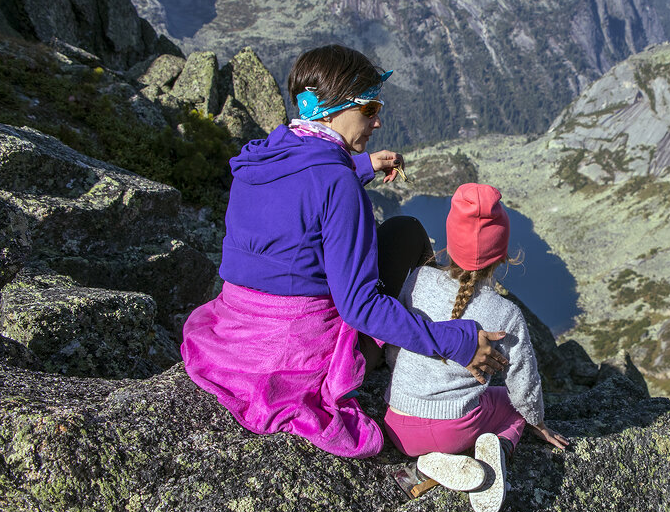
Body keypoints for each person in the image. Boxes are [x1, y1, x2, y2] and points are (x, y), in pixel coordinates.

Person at [180, 44, 508, 458]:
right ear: (331, 109)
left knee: (396, 232)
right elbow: (359, 308)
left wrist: (363, 166)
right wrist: (456, 342)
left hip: (236, 334)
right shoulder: (338, 185)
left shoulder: (262, 157)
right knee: (406, 233)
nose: (377, 120)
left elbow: (299, 192)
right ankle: (413, 353)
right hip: (298, 352)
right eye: (369, 108)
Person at [384, 183, 569, 512]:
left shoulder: (416, 281)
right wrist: (538, 422)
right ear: (503, 254)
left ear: (451, 243)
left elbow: (396, 349)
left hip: (397, 424)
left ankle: (425, 468)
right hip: (451, 431)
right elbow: (523, 386)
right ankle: (496, 448)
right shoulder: (506, 314)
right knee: (514, 407)